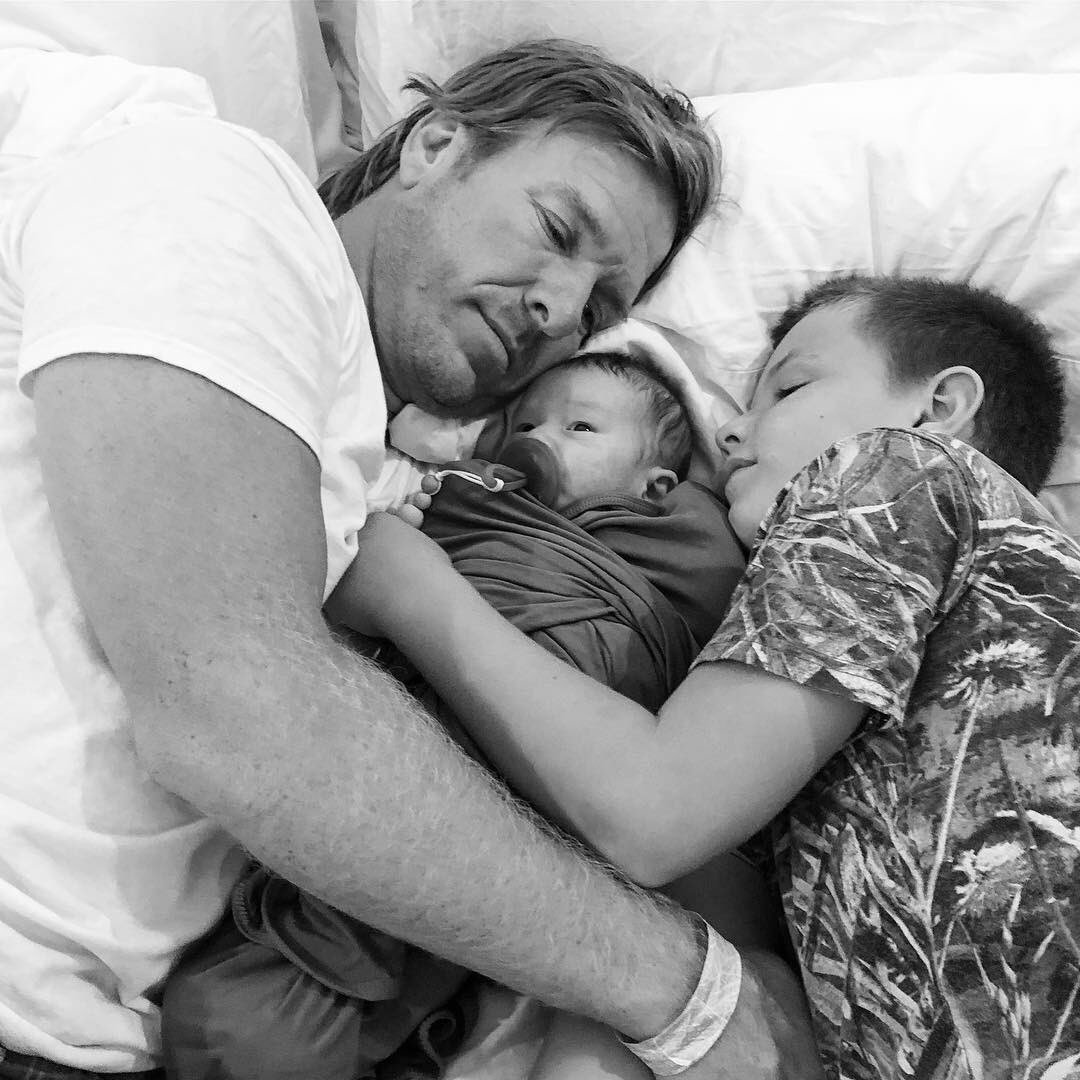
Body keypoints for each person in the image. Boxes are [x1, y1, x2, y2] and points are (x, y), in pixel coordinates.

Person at [0, 36, 821, 1080]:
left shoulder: (386, 484)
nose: (560, 312)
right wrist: (687, 994)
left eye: (601, 309)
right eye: (558, 229)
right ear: (435, 146)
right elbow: (230, 704)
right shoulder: (222, 198)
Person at [338, 274, 1080, 1079]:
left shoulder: (901, 468)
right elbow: (719, 974)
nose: (729, 430)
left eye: (789, 389)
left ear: (939, 408)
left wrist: (407, 586)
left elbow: (655, 813)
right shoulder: (828, 699)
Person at [160, 350, 750, 1080]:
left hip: (550, 739)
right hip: (405, 741)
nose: (540, 438)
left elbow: (683, 621)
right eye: (526, 423)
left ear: (654, 483)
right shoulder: (476, 501)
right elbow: (380, 564)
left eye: (581, 427)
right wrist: (434, 520)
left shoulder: (680, 535)